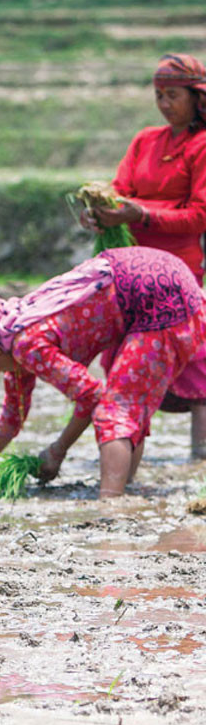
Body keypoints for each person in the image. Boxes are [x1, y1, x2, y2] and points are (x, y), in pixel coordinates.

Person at [0, 247, 206, 498]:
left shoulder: (26, 344)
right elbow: (12, 415)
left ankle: (111, 507)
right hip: (158, 283)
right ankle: (127, 489)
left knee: (116, 409)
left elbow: (91, 395)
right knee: (129, 406)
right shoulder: (15, 329)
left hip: (163, 297)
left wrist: (57, 450)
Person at [83, 53, 206, 457]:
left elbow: (199, 215)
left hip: (177, 273)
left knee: (195, 362)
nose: (164, 104)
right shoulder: (145, 140)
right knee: (123, 359)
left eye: (172, 95)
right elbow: (120, 190)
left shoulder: (202, 145)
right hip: (129, 270)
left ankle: (200, 459)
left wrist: (145, 215)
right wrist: (101, 214)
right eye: (158, 95)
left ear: (196, 97)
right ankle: (130, 452)